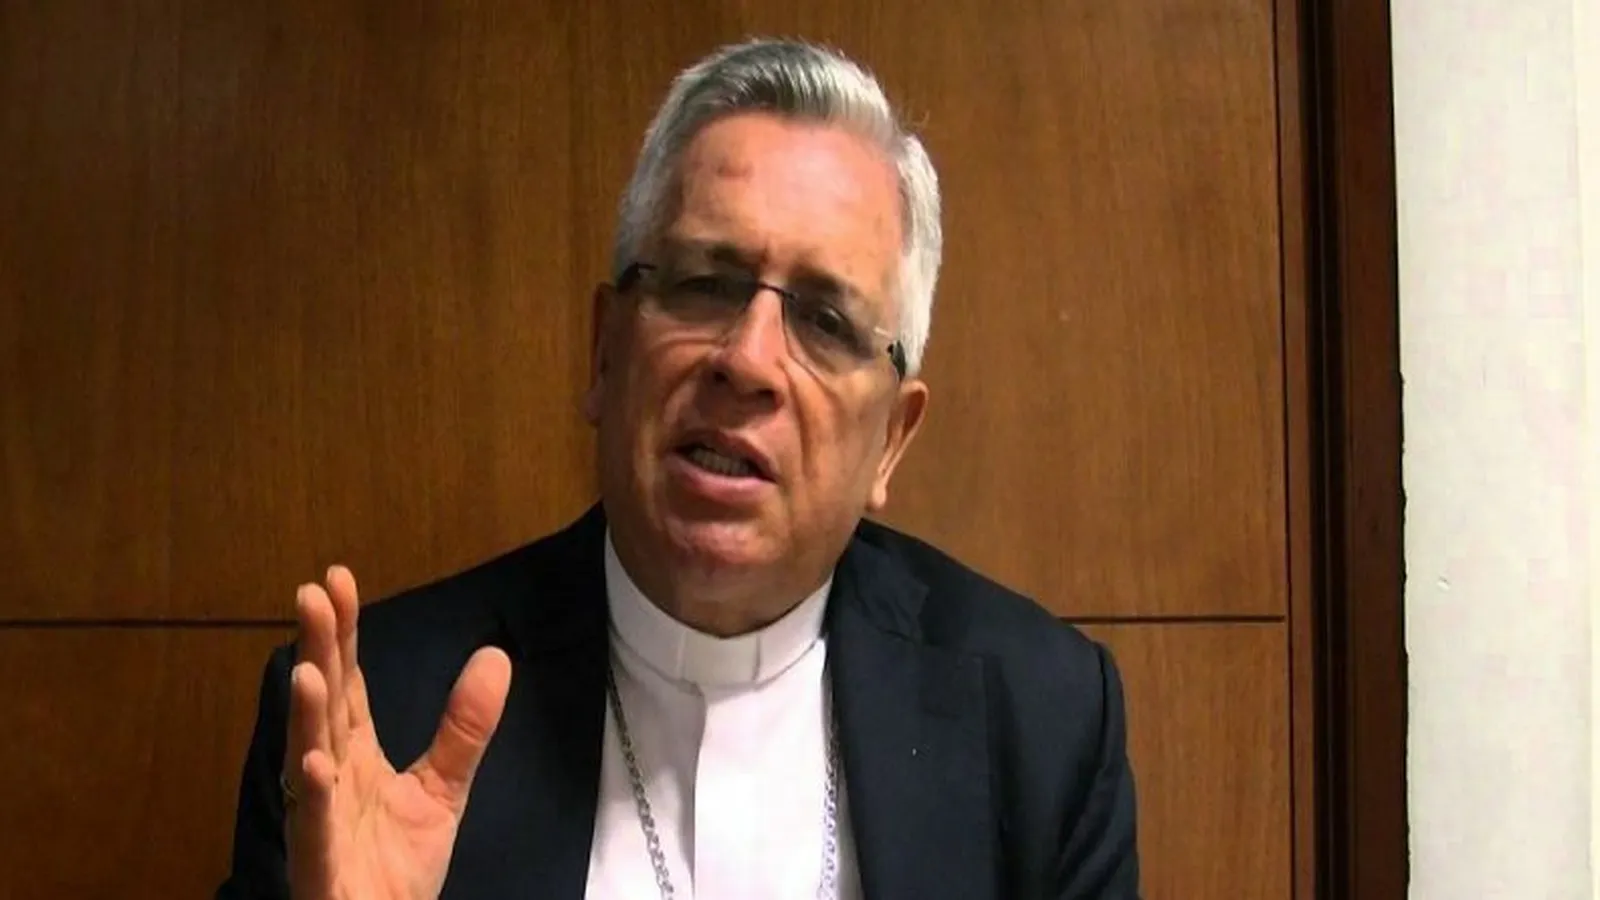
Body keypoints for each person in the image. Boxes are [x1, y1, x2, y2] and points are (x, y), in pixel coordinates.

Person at [217, 37, 1139, 900]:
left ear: (891, 440)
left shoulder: (1042, 721)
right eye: (705, 283)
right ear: (604, 352)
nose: (748, 360)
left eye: (824, 320)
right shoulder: (367, 715)